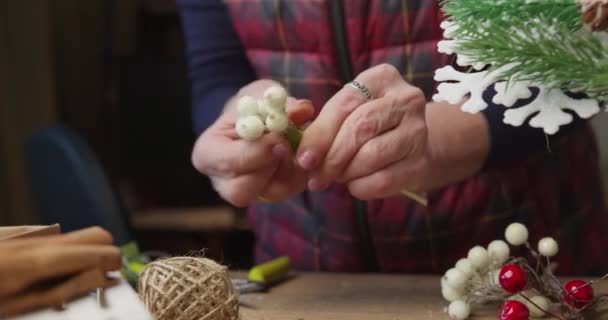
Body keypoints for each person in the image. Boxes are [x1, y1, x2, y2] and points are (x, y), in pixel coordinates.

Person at [177, 0, 608, 275]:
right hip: (308, 273)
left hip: (527, 262)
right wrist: (234, 119)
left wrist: (442, 141)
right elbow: (218, 68)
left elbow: (586, 55)